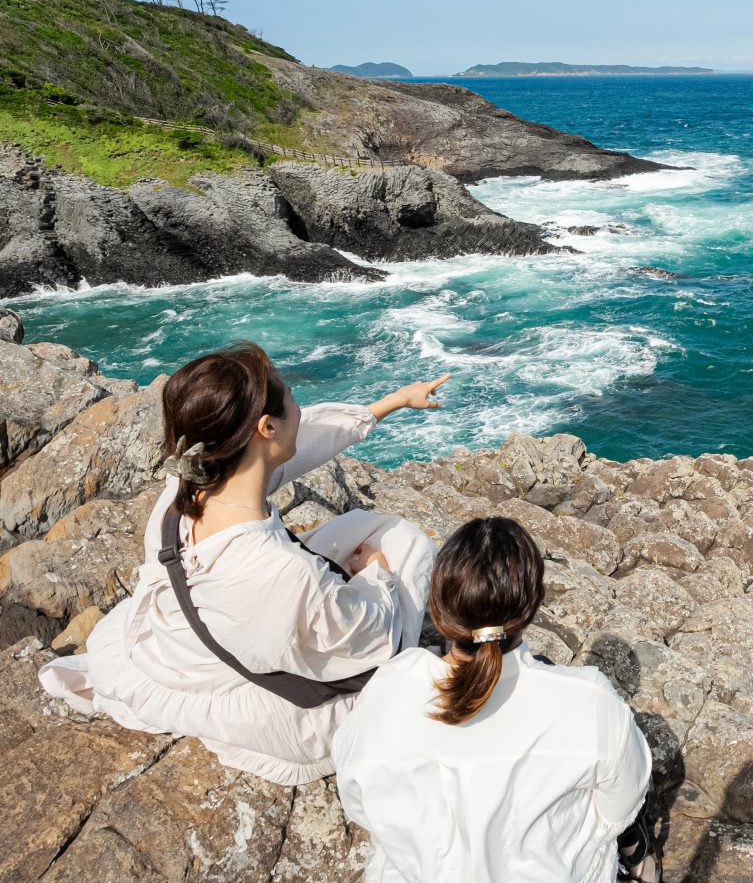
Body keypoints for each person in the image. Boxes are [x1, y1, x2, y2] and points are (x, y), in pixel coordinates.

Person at [38, 341, 443, 785]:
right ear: (266, 428)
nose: (301, 409)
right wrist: (376, 576)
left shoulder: (191, 484)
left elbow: (305, 444)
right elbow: (366, 640)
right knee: (404, 544)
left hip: (181, 647)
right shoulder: (279, 570)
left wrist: (395, 402)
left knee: (361, 531)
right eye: (292, 400)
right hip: (265, 701)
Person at [333, 516, 655, 883]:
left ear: (437, 612)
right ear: (532, 607)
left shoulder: (389, 690)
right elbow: (619, 810)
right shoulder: (591, 703)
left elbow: (357, 801)